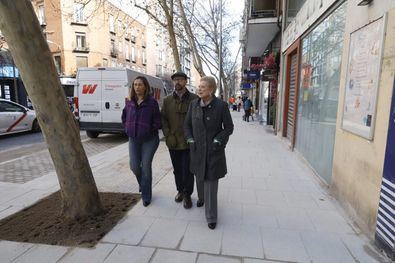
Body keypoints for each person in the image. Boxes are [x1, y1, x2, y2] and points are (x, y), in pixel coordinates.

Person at [184, 76, 234, 229]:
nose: (199, 89)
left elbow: (229, 127)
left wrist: (219, 140)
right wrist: (190, 139)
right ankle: (201, 198)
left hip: (213, 150)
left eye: (203, 87)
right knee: (199, 176)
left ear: (211, 90)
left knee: (211, 182)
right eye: (199, 86)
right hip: (197, 149)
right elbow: (187, 126)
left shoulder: (221, 106)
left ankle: (211, 217)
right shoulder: (194, 105)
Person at [122, 76, 161, 207]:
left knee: (145, 166)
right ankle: (143, 185)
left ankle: (146, 195)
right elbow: (124, 117)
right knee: (134, 166)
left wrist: (149, 129)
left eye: (140, 84)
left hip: (149, 140)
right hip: (133, 139)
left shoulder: (152, 103)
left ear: (145, 87)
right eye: (135, 85)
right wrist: (127, 128)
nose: (137, 87)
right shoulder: (129, 102)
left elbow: (158, 121)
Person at [161, 71, 198, 209]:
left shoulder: (195, 99)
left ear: (185, 82)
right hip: (173, 141)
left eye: (180, 80)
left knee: (188, 169)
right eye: (175, 80)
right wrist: (167, 135)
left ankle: (188, 194)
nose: (177, 82)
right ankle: (180, 190)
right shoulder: (167, 100)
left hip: (189, 141)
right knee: (177, 169)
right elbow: (163, 119)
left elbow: (198, 120)